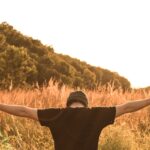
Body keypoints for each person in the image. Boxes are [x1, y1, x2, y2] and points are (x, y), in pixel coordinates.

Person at [0, 91, 150, 150]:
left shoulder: (56, 115)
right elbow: (126, 107)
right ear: (86, 104)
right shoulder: (95, 115)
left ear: (68, 103)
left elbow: (23, 110)